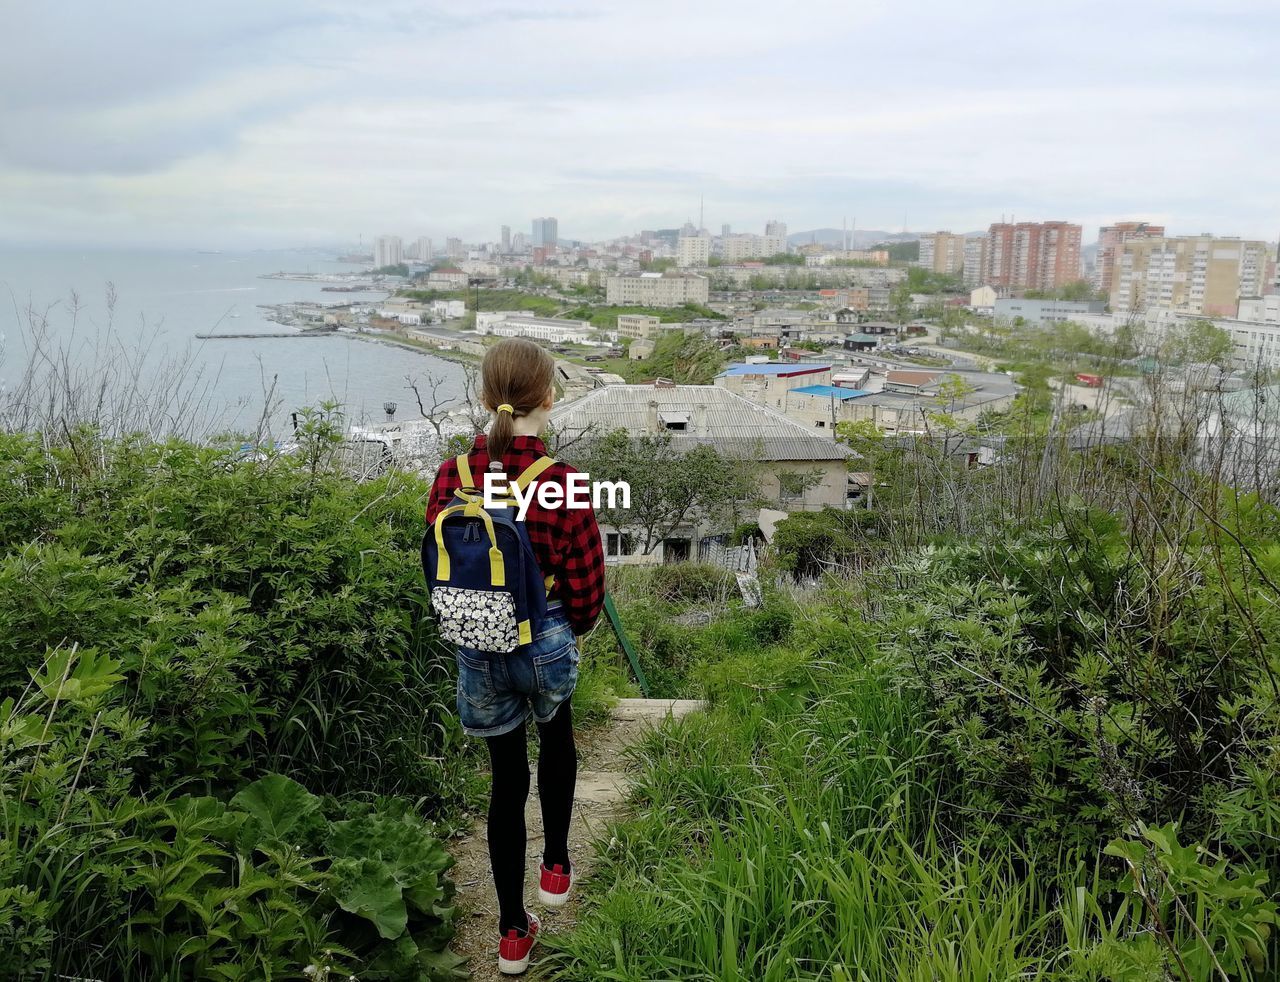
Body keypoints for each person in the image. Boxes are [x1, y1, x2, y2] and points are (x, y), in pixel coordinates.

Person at [425, 337, 605, 975]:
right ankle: (556, 865)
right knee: (558, 739)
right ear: (548, 396)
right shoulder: (561, 484)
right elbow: (586, 582)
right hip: (546, 635)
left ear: (484, 394)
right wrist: (570, 629)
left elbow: (438, 562)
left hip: (478, 641)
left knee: (506, 782)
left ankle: (510, 934)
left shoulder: (454, 475)